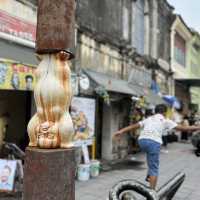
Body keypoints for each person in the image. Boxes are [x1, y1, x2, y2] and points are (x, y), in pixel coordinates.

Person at [114, 104, 200, 190]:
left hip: (142, 141)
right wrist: (197, 127)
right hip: (153, 142)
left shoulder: (149, 119)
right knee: (154, 168)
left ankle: (149, 175)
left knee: (150, 158)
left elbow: (134, 126)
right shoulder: (165, 120)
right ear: (165, 112)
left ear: (155, 111)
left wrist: (121, 131)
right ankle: (152, 192)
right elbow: (183, 128)